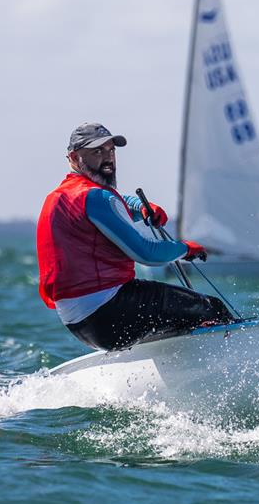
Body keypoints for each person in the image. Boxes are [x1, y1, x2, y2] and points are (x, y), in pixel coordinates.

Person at [37, 122, 235, 351]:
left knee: (178, 322)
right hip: (110, 309)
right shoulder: (94, 197)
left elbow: (113, 203)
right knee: (211, 308)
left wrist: (140, 206)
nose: (108, 158)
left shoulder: (61, 196)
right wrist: (185, 248)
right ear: (73, 157)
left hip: (80, 323)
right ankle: (241, 356)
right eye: (97, 152)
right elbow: (147, 254)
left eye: (111, 150)